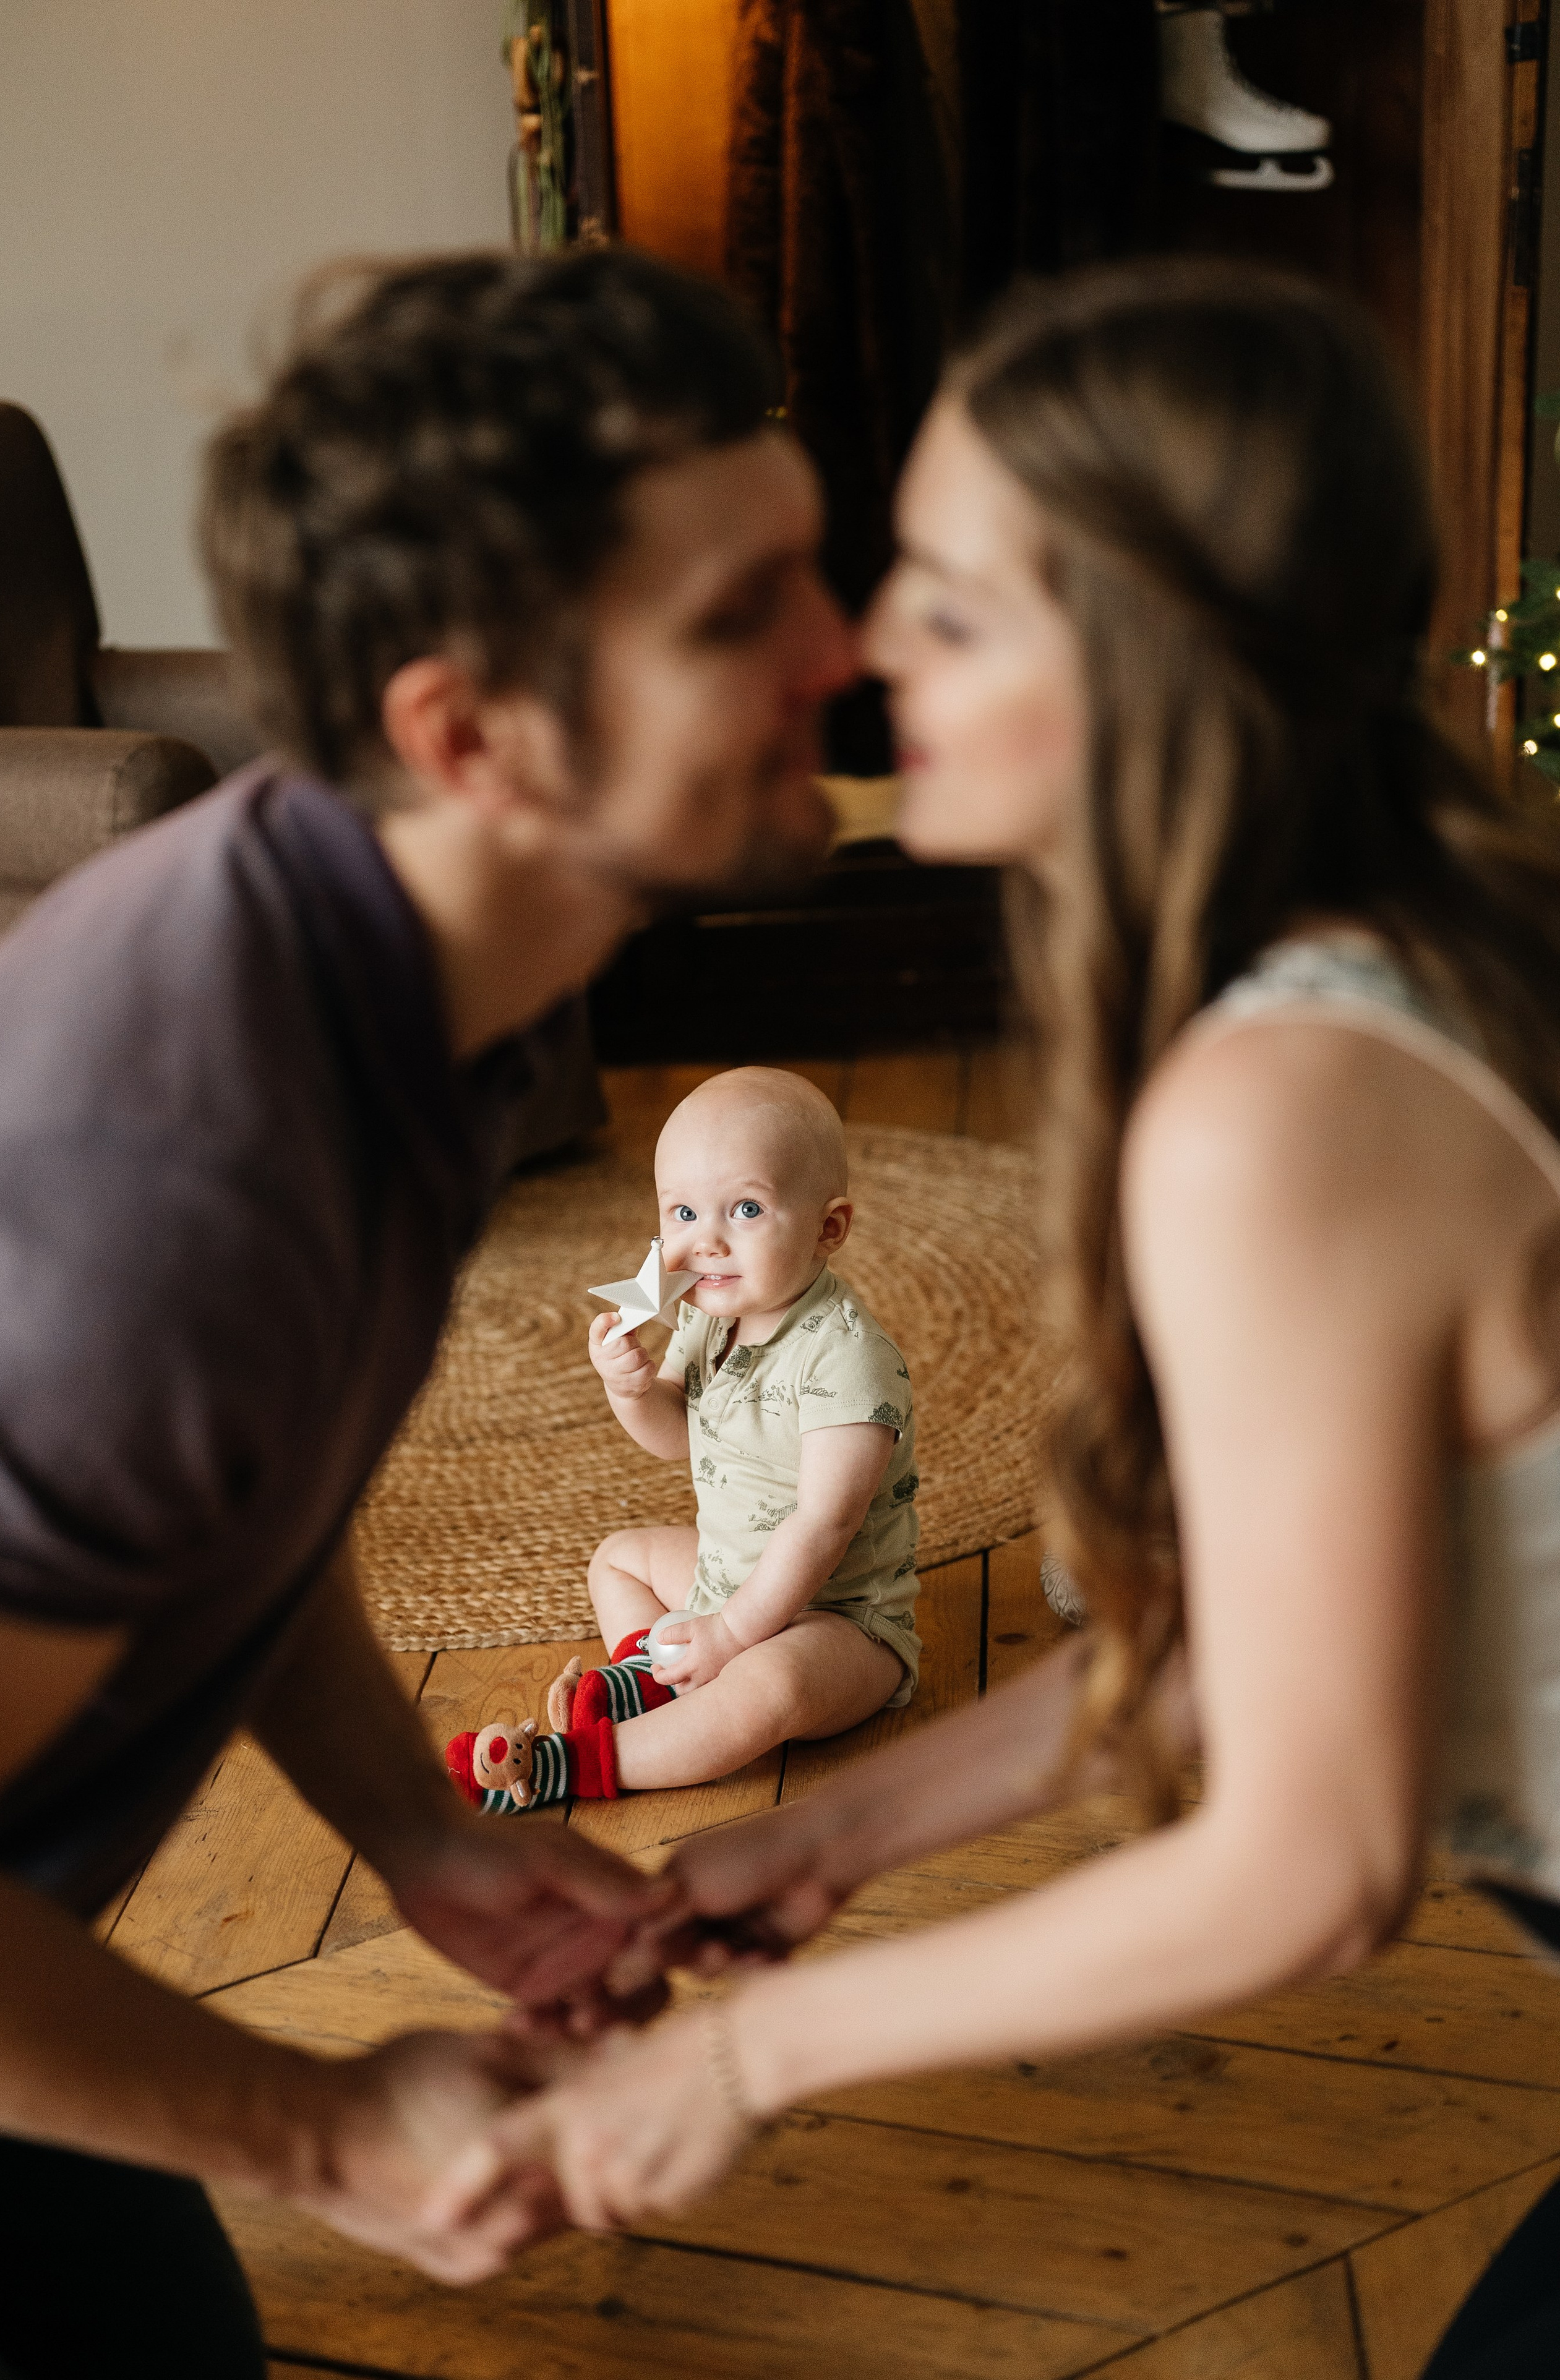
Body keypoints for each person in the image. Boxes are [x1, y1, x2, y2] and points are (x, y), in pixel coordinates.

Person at [492, 259, 1560, 2375]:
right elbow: (1225, 1653)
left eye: (956, 602)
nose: (874, 644)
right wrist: (835, 1827)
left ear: (1161, 656)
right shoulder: (1387, 966)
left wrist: (741, 2059)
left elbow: (1306, 1864)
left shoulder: (1287, 1104)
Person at [0, 245, 858, 2377]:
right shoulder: (172, 1190)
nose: (842, 650)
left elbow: (244, 1497)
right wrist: (328, 2125)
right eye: (736, 616)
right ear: (466, 732)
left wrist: (416, 1833)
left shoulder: (405, 978)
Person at [445, 1067, 921, 1810]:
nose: (707, 1242)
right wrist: (629, 1386)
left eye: (746, 1208)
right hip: (725, 1578)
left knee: (771, 1689)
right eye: (685, 1212)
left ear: (829, 1227)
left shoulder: (847, 1357)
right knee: (617, 1559)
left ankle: (579, 1764)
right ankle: (649, 1679)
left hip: (838, 1616)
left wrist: (732, 1633)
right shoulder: (706, 1317)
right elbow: (673, 1435)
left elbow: (823, 1523)